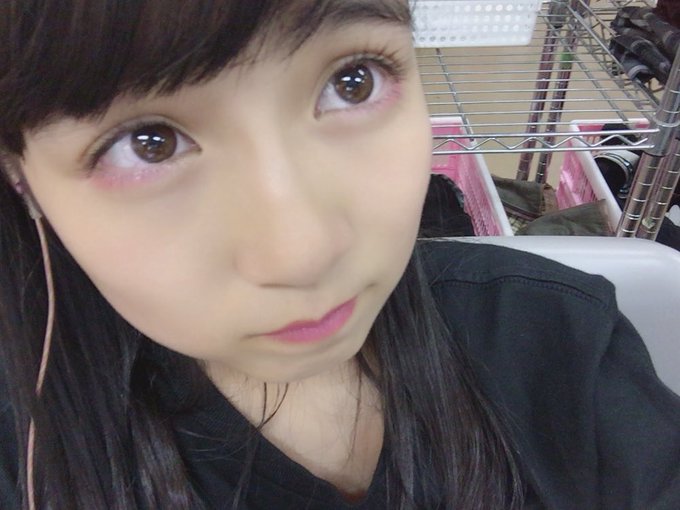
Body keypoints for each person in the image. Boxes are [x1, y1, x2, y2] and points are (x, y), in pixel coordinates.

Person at [1, 1, 679, 509]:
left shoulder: (561, 341)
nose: (303, 255)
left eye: (353, 81)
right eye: (148, 144)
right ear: (19, 173)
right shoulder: (22, 455)